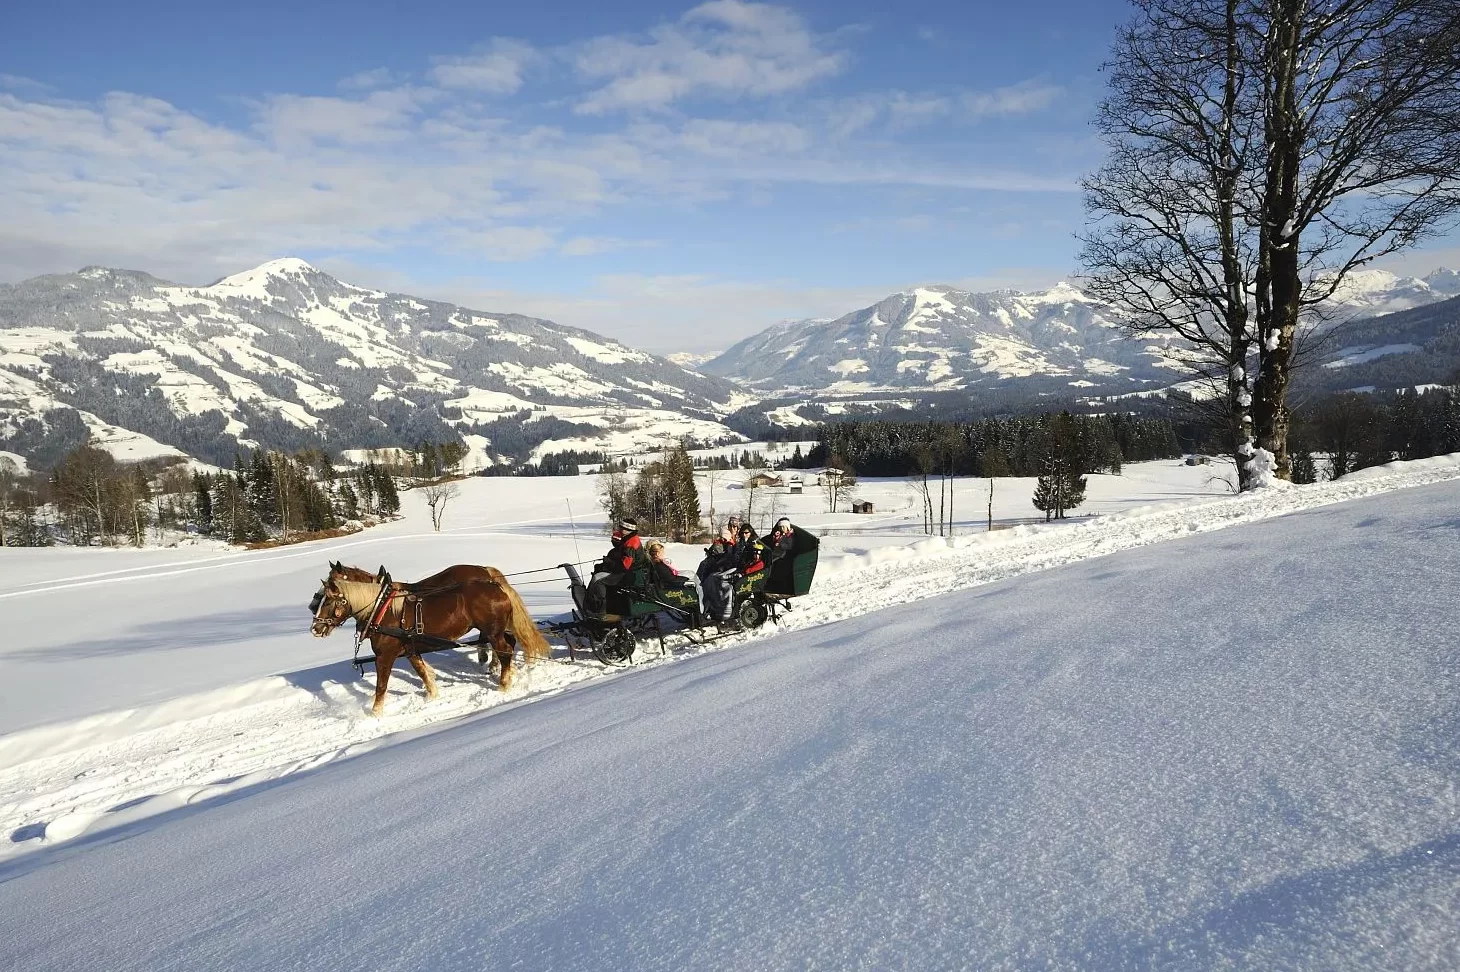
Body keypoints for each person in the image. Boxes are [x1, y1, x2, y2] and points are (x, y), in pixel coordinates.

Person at [586, 519, 645, 614]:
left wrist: (609, 563)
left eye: (621, 528)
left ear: (626, 530)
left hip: (629, 575)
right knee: (599, 571)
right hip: (629, 572)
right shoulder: (629, 539)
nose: (619, 530)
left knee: (598, 579)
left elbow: (624, 566)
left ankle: (600, 610)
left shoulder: (631, 543)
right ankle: (593, 602)